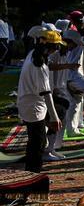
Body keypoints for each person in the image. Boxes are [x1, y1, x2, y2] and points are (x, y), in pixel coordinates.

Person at [17, 28, 62, 172]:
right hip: (33, 106)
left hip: (31, 103)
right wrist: (54, 118)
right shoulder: (39, 65)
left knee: (36, 142)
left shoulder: (33, 55)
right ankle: (33, 174)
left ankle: (32, 172)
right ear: (52, 47)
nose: (58, 49)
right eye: (56, 46)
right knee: (37, 144)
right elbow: (46, 93)